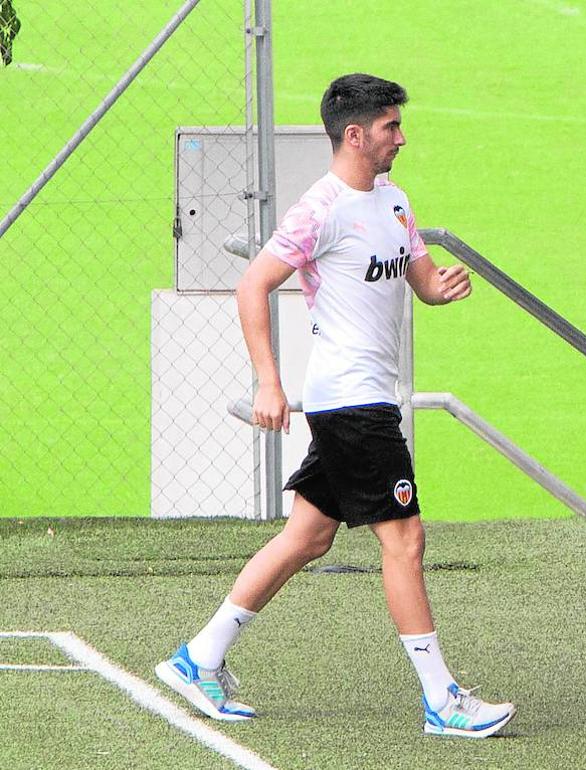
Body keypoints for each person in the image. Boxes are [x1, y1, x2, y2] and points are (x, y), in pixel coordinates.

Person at [155, 73, 515, 739]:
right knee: (404, 539)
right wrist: (268, 381)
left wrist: (441, 290)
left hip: (365, 398)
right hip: (353, 404)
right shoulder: (320, 209)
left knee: (308, 536)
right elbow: (252, 285)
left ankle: (197, 658)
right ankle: (442, 698)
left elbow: (423, 283)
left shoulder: (396, 202)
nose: (401, 138)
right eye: (390, 128)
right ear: (356, 134)